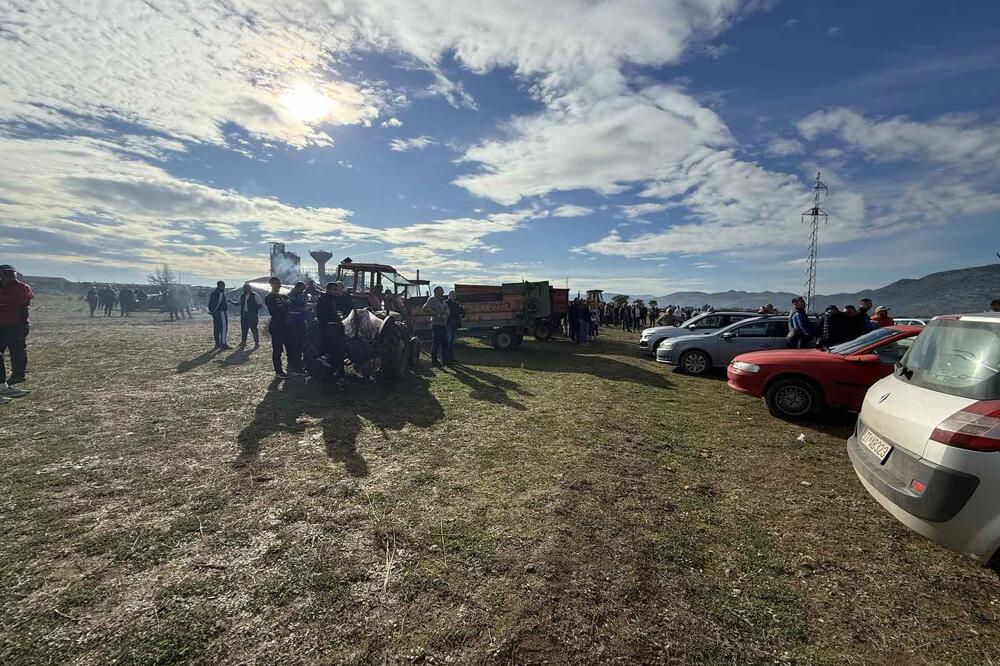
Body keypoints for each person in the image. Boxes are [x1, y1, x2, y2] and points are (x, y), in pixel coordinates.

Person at [0, 265, 32, 396]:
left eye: (9, 273)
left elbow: (18, 302)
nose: (7, 276)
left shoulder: (23, 288)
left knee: (17, 350)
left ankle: (18, 374)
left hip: (16, 325)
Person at [264, 277, 292, 378]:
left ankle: (291, 368)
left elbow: (292, 304)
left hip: (286, 326)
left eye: (279, 283)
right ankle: (278, 371)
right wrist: (284, 305)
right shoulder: (269, 297)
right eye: (276, 283)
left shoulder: (284, 296)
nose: (278, 285)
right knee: (277, 350)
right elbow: (273, 311)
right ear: (271, 284)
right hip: (277, 326)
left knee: (290, 348)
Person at [230, 283, 264, 348]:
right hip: (244, 315)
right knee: (244, 329)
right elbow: (237, 304)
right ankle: (243, 342)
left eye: (246, 288)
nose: (245, 289)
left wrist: (253, 310)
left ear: (250, 288)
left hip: (252, 316)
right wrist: (231, 302)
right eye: (244, 288)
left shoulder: (255, 295)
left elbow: (260, 305)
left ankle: (257, 343)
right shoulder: (242, 296)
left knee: (254, 329)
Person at [422, 286, 449, 367]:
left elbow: (447, 308)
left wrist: (445, 314)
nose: (443, 292)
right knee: (436, 342)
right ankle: (434, 360)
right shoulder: (432, 299)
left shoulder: (442, 300)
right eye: (442, 291)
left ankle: (445, 360)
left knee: (444, 342)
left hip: (443, 324)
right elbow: (425, 308)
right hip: (436, 324)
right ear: (436, 291)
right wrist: (436, 315)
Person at [286, 281, 308, 373]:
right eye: (302, 289)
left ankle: (299, 363)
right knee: (295, 344)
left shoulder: (300, 295)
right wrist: (302, 309)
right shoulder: (290, 296)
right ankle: (294, 365)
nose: (303, 291)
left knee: (301, 343)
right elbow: (290, 309)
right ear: (297, 287)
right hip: (293, 323)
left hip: (301, 322)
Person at [207, 281, 231, 350]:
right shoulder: (220, 292)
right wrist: (213, 311)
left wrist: (211, 311)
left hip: (216, 313)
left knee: (216, 328)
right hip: (220, 312)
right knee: (223, 328)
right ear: (222, 285)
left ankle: (217, 343)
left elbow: (210, 303)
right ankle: (223, 343)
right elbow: (218, 302)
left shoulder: (213, 292)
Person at [445, 290, 465, 363]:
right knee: (448, 341)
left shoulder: (456, 304)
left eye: (455, 294)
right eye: (452, 294)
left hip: (454, 325)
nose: (454, 295)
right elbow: (449, 312)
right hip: (448, 324)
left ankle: (450, 357)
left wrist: (462, 311)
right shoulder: (446, 303)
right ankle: (446, 358)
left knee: (452, 342)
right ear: (449, 295)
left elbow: (462, 312)